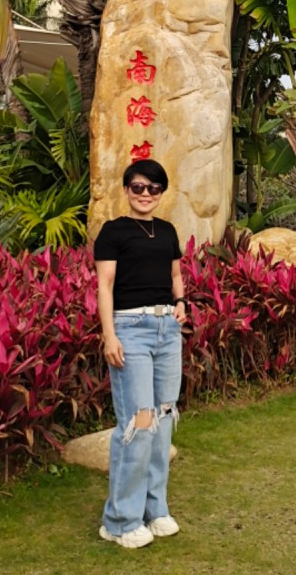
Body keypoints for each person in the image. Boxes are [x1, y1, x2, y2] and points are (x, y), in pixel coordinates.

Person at [94, 159, 187, 549]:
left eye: (153, 188)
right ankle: (120, 521)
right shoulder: (113, 231)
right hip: (130, 329)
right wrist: (109, 336)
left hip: (167, 330)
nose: (145, 194)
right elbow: (104, 286)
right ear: (126, 189)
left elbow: (175, 275)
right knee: (138, 422)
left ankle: (155, 509)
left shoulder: (167, 231)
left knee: (163, 420)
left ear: (161, 192)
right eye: (138, 187)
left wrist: (181, 302)